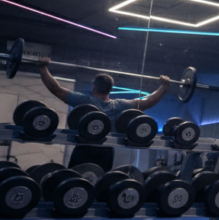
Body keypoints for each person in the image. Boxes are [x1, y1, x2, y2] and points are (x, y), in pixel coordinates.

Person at [38, 57, 171, 170]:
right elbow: (148, 101)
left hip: (83, 150)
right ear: (110, 90)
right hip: (106, 152)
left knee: (74, 184)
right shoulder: (119, 105)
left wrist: (43, 68)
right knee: (99, 185)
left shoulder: (84, 101)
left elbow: (56, 89)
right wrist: (164, 86)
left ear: (94, 87)